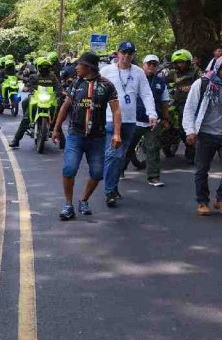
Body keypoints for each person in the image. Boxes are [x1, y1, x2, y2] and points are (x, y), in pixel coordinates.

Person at [52, 53, 122, 220]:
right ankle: (68, 205)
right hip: (75, 135)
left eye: (79, 65)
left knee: (97, 173)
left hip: (97, 137)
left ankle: (83, 200)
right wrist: (56, 128)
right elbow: (65, 107)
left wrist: (117, 133)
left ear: (89, 67)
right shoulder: (76, 84)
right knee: (69, 169)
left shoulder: (107, 86)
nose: (76, 68)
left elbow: (116, 110)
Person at [99, 41, 157, 207]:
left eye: (130, 53)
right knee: (113, 155)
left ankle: (113, 186)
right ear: (118, 53)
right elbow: (96, 91)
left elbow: (146, 94)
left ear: (133, 55)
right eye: (123, 52)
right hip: (110, 119)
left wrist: (151, 113)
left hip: (130, 120)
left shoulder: (138, 72)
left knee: (121, 156)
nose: (126, 56)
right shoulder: (106, 71)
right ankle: (109, 191)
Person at [123, 55, 170, 187]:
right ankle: (120, 170)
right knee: (128, 147)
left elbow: (165, 102)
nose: (151, 66)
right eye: (149, 64)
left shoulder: (161, 83)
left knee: (153, 148)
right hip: (134, 121)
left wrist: (165, 118)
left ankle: (154, 177)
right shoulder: (133, 79)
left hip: (153, 122)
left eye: (154, 64)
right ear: (143, 65)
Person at [182, 65, 222, 216]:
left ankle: (220, 199)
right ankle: (202, 202)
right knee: (202, 169)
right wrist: (190, 131)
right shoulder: (202, 84)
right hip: (205, 133)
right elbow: (190, 108)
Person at [9, 56, 60, 148]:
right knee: (26, 117)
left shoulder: (53, 77)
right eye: (42, 67)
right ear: (38, 67)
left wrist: (61, 92)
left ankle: (62, 141)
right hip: (36, 98)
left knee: (57, 116)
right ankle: (16, 140)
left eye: (46, 67)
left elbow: (58, 87)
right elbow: (29, 85)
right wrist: (27, 87)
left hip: (49, 99)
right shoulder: (34, 77)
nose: (44, 69)